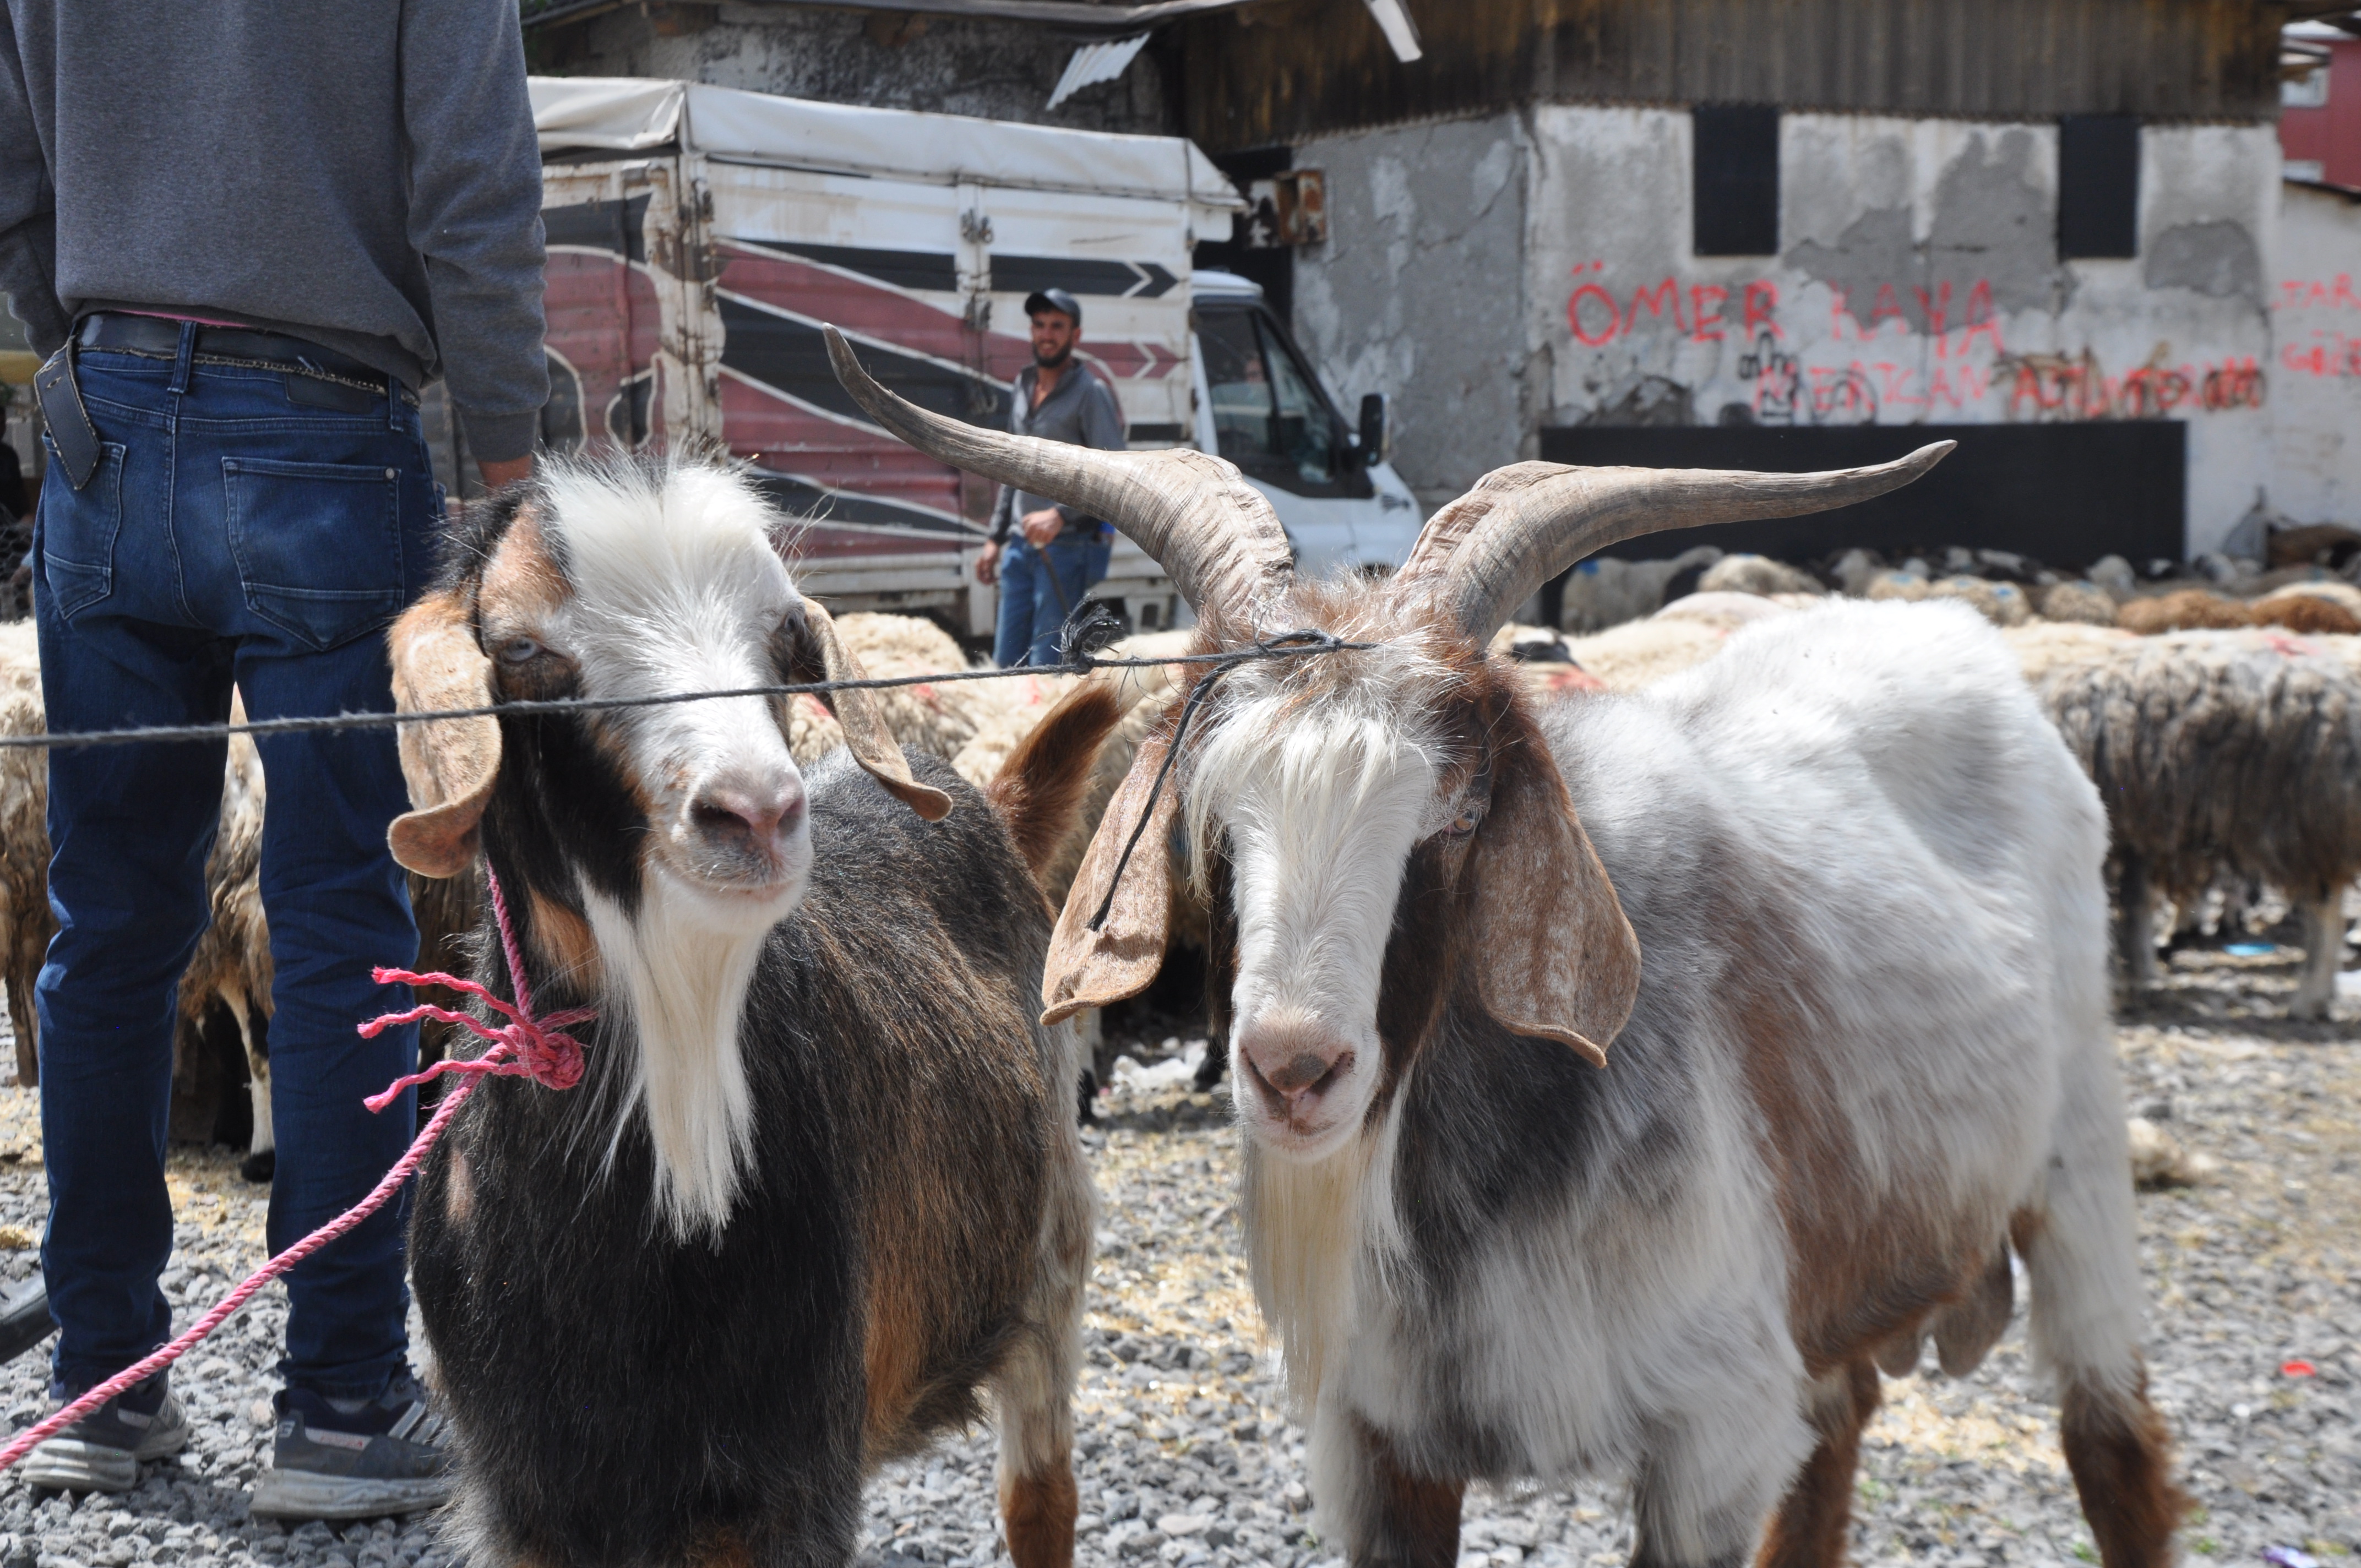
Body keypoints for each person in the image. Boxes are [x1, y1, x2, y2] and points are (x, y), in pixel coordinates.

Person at [0, 0, 547, 1518]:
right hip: (323, 427)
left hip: (99, 420)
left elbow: (10, 154)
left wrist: (94, 342)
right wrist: (512, 474)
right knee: (334, 923)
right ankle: (344, 1406)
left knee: (108, 930)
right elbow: (475, 186)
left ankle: (101, 1392)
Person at [977, 288, 1125, 667]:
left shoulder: (1091, 393)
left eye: (1057, 326)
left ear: (1076, 336)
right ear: (1031, 332)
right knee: (1005, 664)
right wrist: (994, 539)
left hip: (1066, 549)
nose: (1047, 334)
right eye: (1040, 325)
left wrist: (1060, 514)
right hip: (1019, 548)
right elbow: (1012, 468)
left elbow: (1113, 472)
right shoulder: (1023, 386)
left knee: (1049, 665)